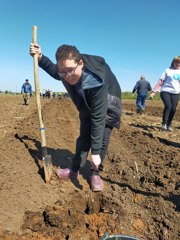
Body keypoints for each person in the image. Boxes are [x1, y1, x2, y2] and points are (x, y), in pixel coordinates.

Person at [30, 43, 122, 192]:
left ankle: (95, 173)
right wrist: (40, 57)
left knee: (102, 137)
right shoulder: (66, 70)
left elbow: (98, 118)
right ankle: (74, 169)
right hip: (85, 100)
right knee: (83, 137)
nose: (67, 76)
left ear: (80, 63)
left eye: (70, 71)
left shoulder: (96, 79)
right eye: (63, 72)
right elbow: (55, 71)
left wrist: (96, 152)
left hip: (108, 102)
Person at [149, 56, 180, 131]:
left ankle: (169, 125)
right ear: (173, 62)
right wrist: (153, 92)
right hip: (165, 91)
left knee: (173, 109)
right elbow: (160, 82)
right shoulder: (167, 70)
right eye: (177, 62)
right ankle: (164, 123)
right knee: (168, 106)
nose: (178, 63)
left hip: (175, 92)